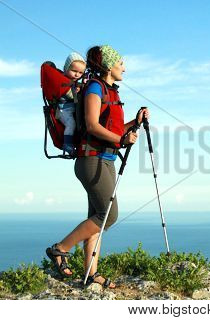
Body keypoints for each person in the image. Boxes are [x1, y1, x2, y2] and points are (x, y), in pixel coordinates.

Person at [46, 45, 149, 288]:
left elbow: (112, 130)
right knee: (108, 215)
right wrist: (121, 140)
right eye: (121, 63)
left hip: (106, 160)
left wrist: (135, 122)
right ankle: (60, 249)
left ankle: (90, 274)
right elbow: (92, 126)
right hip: (92, 161)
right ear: (109, 66)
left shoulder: (109, 91)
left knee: (97, 219)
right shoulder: (94, 87)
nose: (124, 67)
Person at [57, 52, 86, 155]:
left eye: (80, 73)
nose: (77, 75)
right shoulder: (62, 80)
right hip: (63, 110)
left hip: (71, 109)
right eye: (74, 71)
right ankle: (67, 143)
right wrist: (77, 91)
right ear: (66, 68)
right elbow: (69, 95)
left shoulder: (74, 82)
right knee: (71, 124)